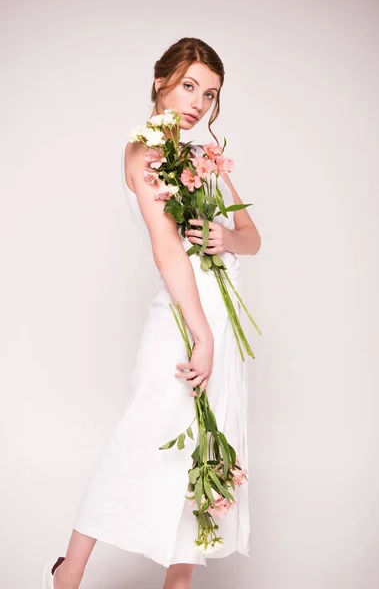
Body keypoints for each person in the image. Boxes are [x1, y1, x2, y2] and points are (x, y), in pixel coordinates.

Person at [42, 36, 261, 589]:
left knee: (206, 450)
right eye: (189, 86)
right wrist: (202, 334)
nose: (198, 103)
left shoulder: (207, 155)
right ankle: (70, 572)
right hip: (186, 318)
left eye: (209, 95)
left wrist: (223, 236)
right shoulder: (144, 152)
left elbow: (253, 237)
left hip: (222, 313)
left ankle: (179, 580)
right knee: (144, 433)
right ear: (161, 81)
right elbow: (167, 250)